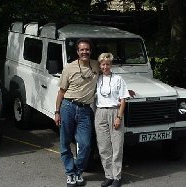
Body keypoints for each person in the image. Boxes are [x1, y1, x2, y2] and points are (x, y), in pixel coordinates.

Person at [54, 38, 99, 187]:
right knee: (65, 142)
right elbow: (61, 91)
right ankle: (70, 173)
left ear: (90, 51)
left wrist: (125, 90)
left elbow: (109, 73)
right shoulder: (69, 67)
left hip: (85, 110)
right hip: (68, 107)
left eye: (87, 49)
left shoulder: (96, 65)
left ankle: (78, 171)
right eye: (82, 50)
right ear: (78, 52)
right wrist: (57, 111)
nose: (85, 52)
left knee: (85, 144)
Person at [95, 53, 130, 187]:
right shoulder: (97, 79)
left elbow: (123, 100)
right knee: (104, 147)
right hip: (100, 112)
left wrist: (119, 117)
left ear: (111, 65)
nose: (105, 67)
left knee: (117, 146)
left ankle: (117, 177)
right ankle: (108, 175)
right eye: (103, 64)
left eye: (108, 64)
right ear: (100, 65)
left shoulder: (118, 79)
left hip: (115, 111)